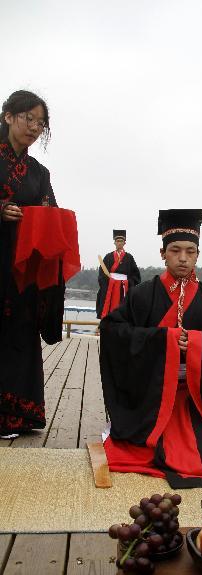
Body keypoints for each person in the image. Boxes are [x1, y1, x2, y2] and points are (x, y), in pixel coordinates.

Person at [100, 209, 202, 488]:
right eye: (175, 250)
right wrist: (163, 340)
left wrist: (199, 342)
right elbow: (113, 331)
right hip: (153, 395)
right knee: (150, 447)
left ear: (198, 255)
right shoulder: (142, 295)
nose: (183, 258)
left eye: (190, 251)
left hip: (200, 397)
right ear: (163, 254)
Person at [0, 90, 63, 438]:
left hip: (22, 269)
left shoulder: (39, 172)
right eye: (29, 119)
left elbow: (50, 210)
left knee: (19, 336)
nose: (35, 128)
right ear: (8, 116)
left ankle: (17, 415)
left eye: (41, 123)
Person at [96, 230, 141, 319]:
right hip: (110, 286)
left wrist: (127, 282)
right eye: (117, 241)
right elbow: (102, 274)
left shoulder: (129, 258)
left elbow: (136, 276)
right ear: (114, 243)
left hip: (124, 287)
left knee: (123, 309)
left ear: (124, 243)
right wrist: (110, 281)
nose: (119, 243)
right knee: (108, 307)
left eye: (121, 241)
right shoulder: (108, 257)